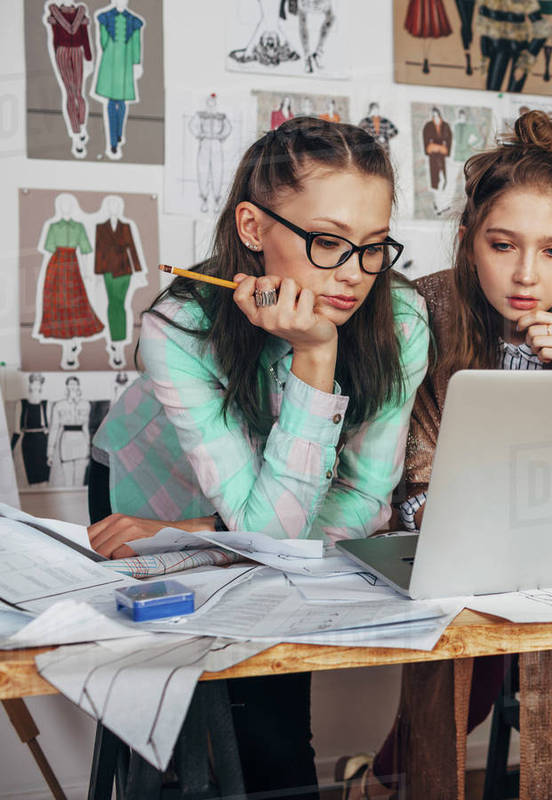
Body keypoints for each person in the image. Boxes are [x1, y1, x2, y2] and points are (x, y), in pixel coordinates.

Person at [88, 116, 429, 800]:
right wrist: (220, 533)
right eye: (327, 242)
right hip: (148, 501)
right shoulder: (177, 328)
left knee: (270, 726)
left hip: (240, 526)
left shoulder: (402, 321)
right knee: (169, 736)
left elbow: (359, 509)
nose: (354, 275)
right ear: (252, 227)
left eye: (372, 248)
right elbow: (273, 534)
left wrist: (316, 353)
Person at [339, 109, 552, 799]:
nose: (527, 275)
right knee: (473, 665)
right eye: (501, 245)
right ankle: (386, 784)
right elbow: (409, 476)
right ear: (467, 242)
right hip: (455, 549)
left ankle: (379, 785)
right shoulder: (423, 308)